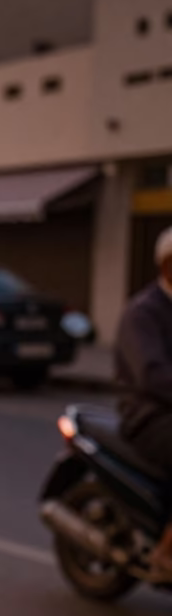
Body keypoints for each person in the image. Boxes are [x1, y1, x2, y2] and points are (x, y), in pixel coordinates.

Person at [116, 225, 172, 575]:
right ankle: (166, 552)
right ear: (167, 265)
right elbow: (152, 375)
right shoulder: (144, 312)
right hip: (149, 414)